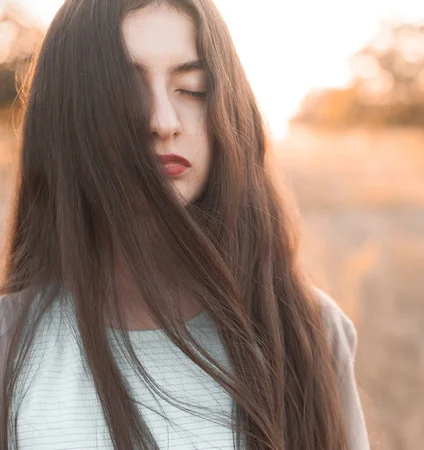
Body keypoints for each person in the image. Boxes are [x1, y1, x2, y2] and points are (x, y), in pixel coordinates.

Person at [0, 0, 370, 449]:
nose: (163, 121)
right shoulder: (9, 345)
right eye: (126, 90)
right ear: (67, 118)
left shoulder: (307, 330)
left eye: (192, 89)